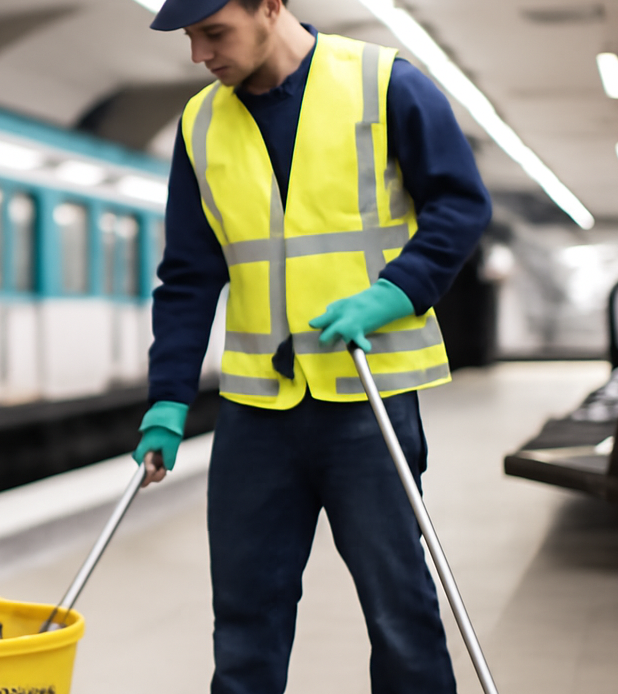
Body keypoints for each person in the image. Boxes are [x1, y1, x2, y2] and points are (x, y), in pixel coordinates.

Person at [131, 0, 492, 692]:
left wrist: (396, 292)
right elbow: (189, 274)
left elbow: (460, 204)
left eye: (214, 33)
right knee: (244, 620)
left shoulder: (384, 84)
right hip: (256, 411)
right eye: (190, 38)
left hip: (369, 395)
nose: (199, 55)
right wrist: (168, 398)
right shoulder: (200, 122)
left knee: (400, 613)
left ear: (270, 6)